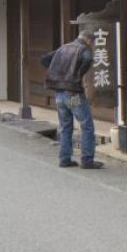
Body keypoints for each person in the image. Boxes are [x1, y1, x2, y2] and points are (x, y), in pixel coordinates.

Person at [42, 30, 103, 169]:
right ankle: (87, 160)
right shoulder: (83, 48)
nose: (92, 46)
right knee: (86, 125)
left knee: (65, 127)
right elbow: (88, 59)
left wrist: (58, 72)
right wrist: (78, 74)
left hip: (59, 95)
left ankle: (64, 159)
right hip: (72, 95)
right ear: (89, 40)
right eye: (92, 43)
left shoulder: (63, 48)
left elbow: (44, 59)